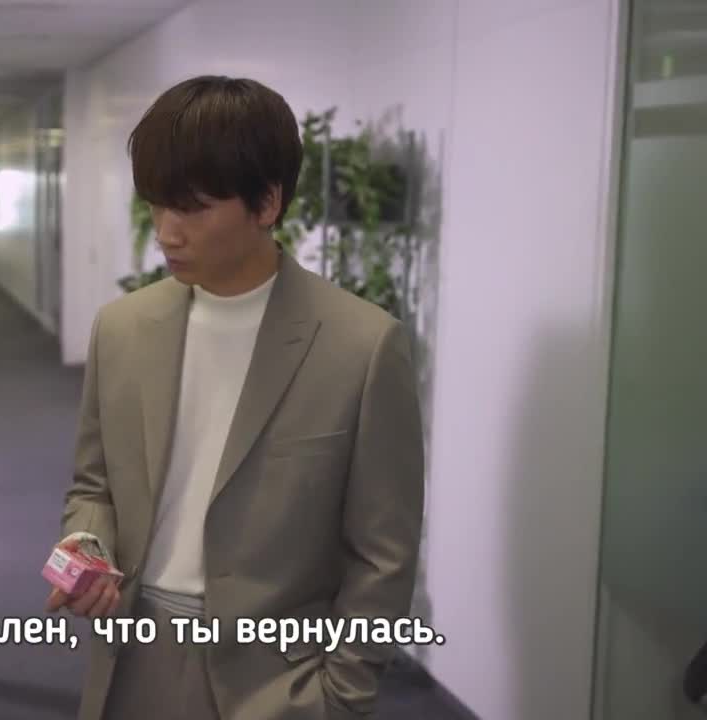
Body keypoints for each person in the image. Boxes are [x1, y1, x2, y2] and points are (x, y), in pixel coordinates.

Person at [47, 76, 425, 720]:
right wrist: (84, 550)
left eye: (191, 209)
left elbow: (383, 554)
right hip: (130, 658)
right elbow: (94, 485)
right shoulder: (122, 328)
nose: (166, 233)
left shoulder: (362, 346)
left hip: (277, 682)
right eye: (157, 206)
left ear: (267, 202)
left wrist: (342, 694)